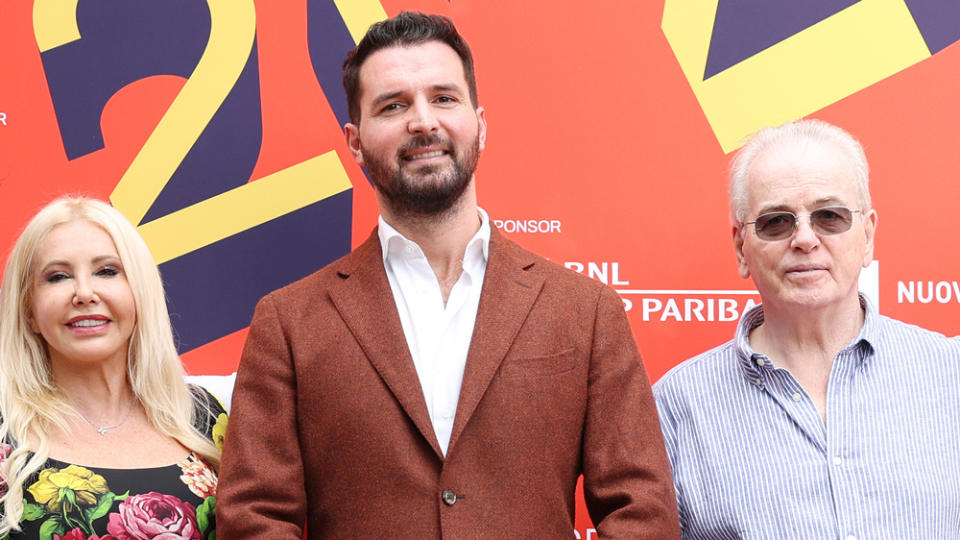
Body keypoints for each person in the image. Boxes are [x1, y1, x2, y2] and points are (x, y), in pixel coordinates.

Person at [217, 11, 680, 539]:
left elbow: (642, 511)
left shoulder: (585, 310)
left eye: (443, 98)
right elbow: (254, 517)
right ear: (354, 140)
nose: (423, 121)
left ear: (480, 124)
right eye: (393, 105)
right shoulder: (289, 322)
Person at [654, 119, 960, 539]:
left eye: (829, 216)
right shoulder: (674, 408)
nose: (804, 239)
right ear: (741, 247)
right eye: (776, 222)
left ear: (868, 235)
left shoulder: (950, 374)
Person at [0, 197, 228, 539]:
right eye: (58, 276)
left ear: (139, 292)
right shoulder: (5, 427)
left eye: (107, 271)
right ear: (29, 310)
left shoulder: (204, 416)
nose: (84, 293)